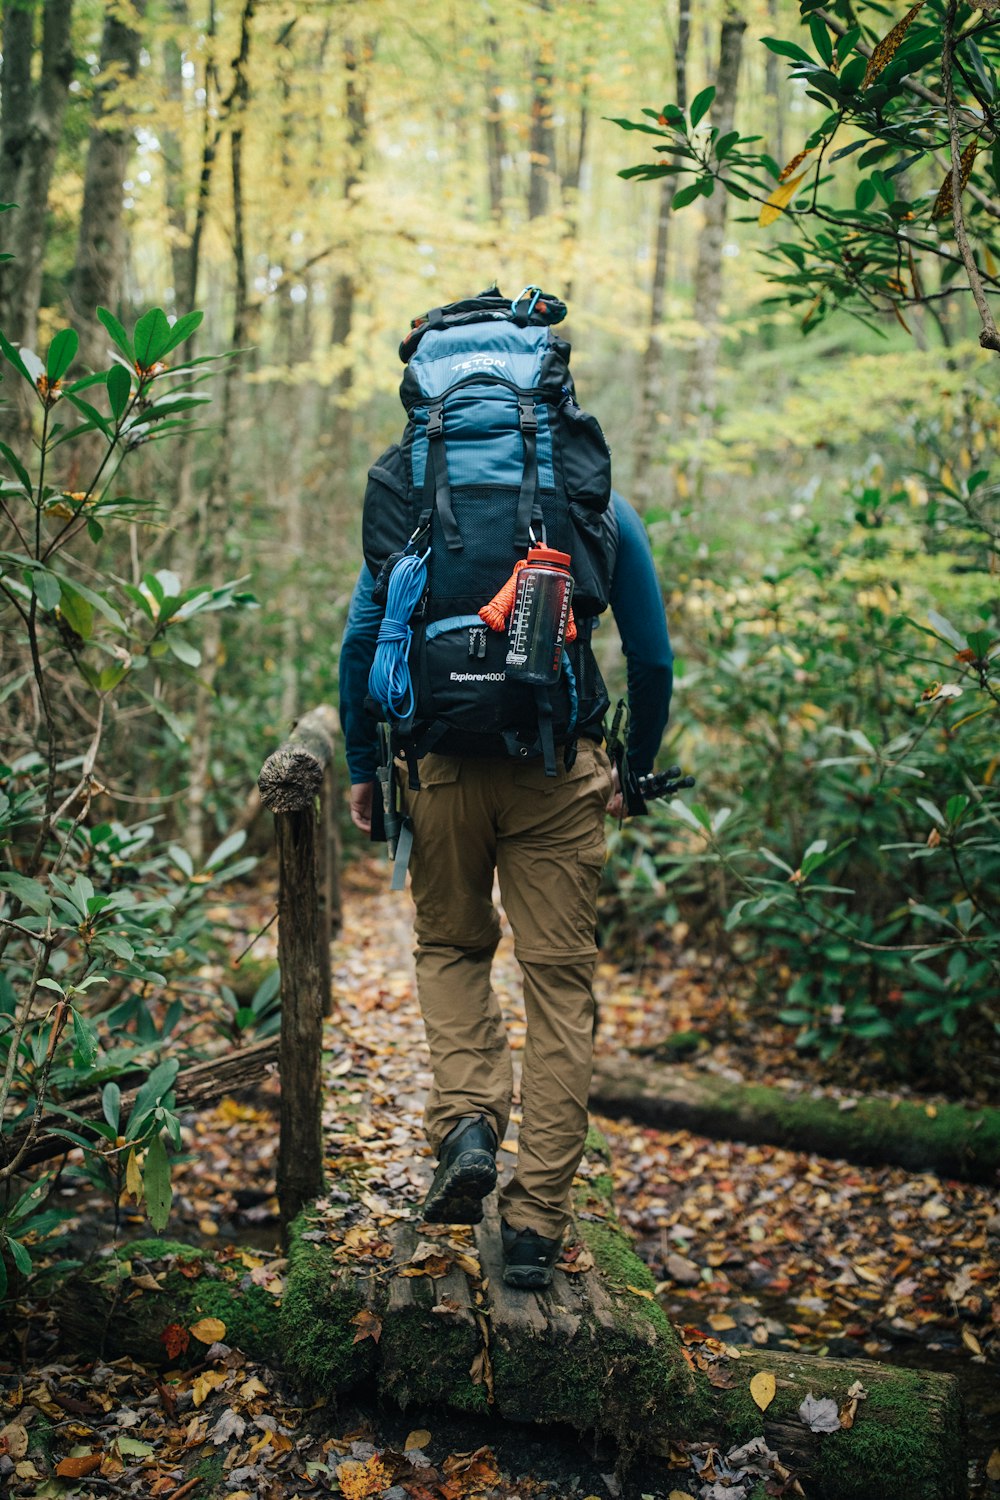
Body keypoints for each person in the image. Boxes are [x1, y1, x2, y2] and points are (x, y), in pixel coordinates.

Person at [339, 490, 672, 1288]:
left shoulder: (412, 493)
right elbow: (651, 655)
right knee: (558, 986)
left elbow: (361, 641)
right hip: (559, 767)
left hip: (441, 765)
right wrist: (636, 767)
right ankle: (535, 1225)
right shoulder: (598, 503)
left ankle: (468, 1124)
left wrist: (361, 765)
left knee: (452, 947)